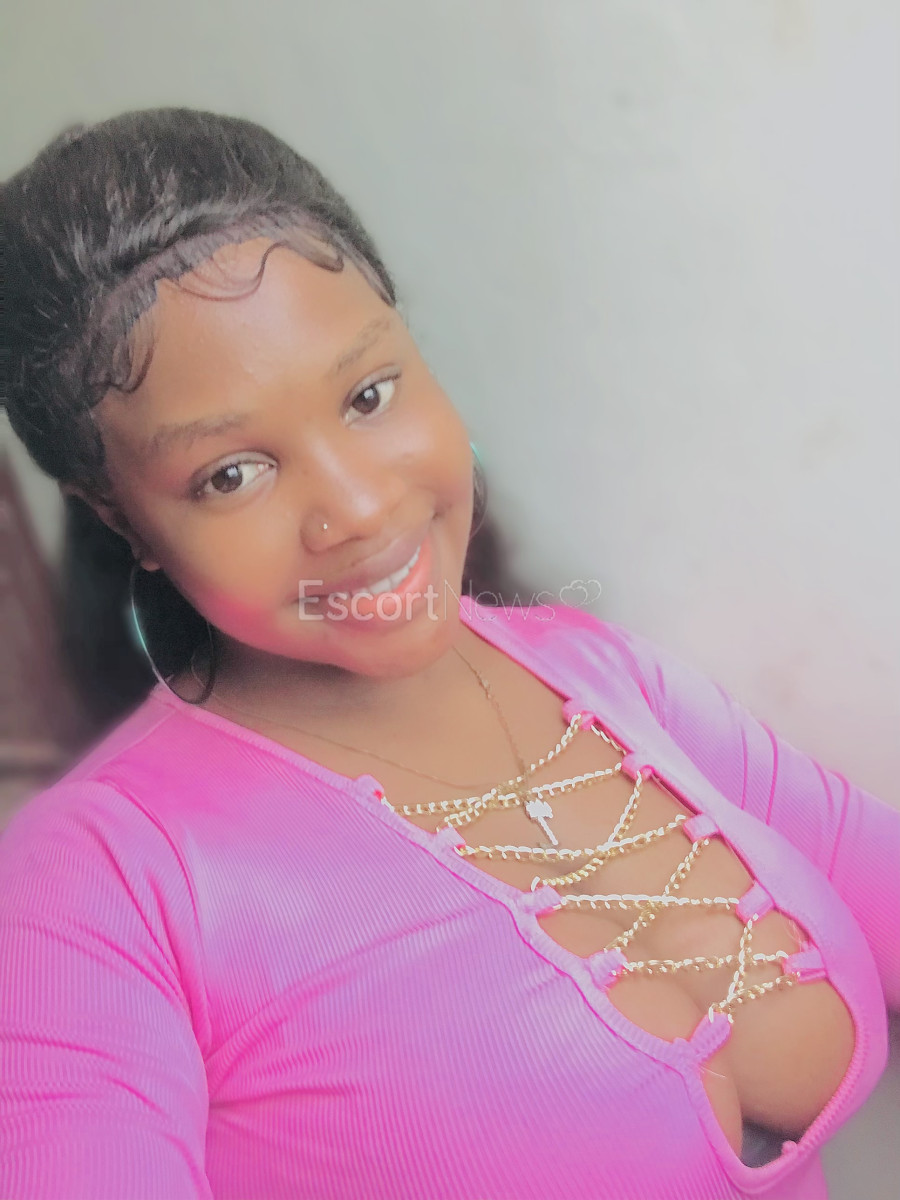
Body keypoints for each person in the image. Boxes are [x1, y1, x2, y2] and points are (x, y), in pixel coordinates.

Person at [0, 108, 897, 1200]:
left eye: (367, 395)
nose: (358, 508)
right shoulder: (94, 884)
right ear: (122, 519)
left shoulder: (599, 678)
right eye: (231, 474)